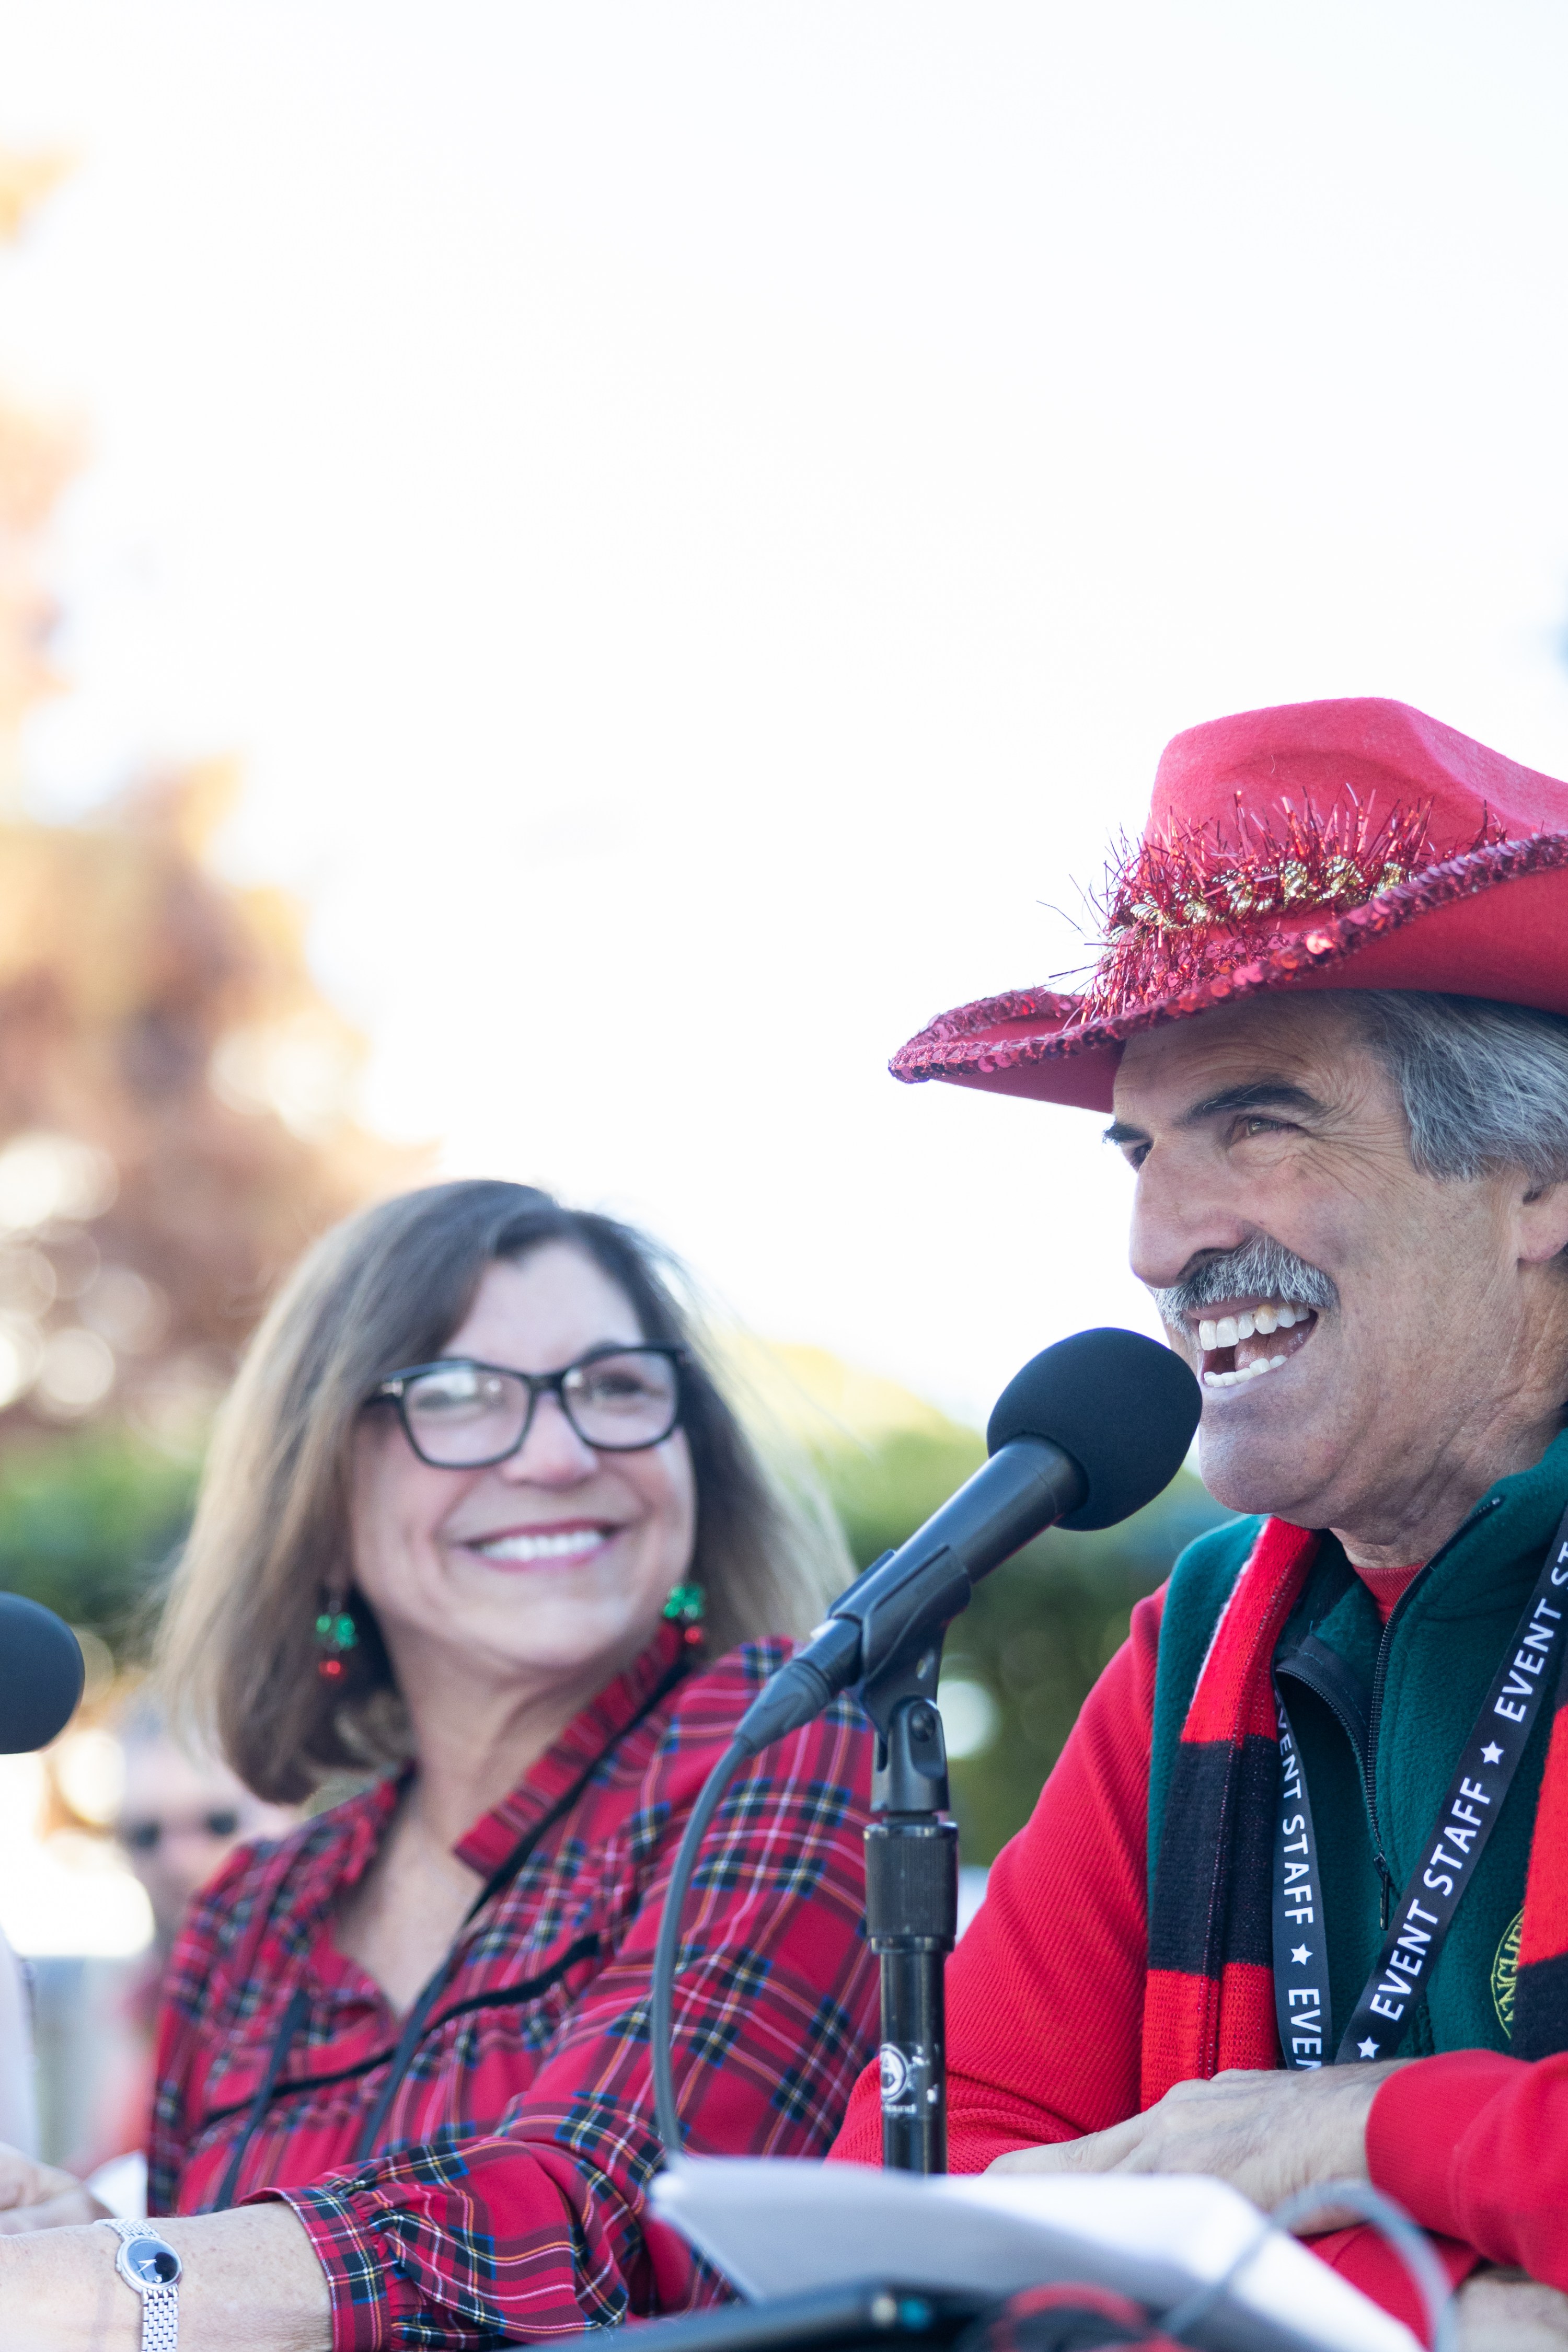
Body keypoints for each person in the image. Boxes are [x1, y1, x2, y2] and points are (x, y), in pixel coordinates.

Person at [832, 698, 1568, 2345]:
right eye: (1137, 1151)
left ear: (1538, 1181)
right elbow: (938, 2186)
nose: (1158, 1244)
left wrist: (1344, 2135)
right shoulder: (1197, 1638)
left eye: (1261, 1123)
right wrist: (1469, 2298)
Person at [0, 1179, 876, 2346]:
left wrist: (121, 2283)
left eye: (616, 1387)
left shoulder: (781, 1749)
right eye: (457, 1397)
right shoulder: (248, 1922)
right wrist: (76, 2244)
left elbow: (609, 2239)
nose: (560, 1454)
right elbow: (187, 2297)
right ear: (320, 1485)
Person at [78, 1710, 295, 2208]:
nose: (177, 1861)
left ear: (288, 1813)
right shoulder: (140, 2000)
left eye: (217, 1823)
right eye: (146, 1835)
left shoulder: (343, 1997)